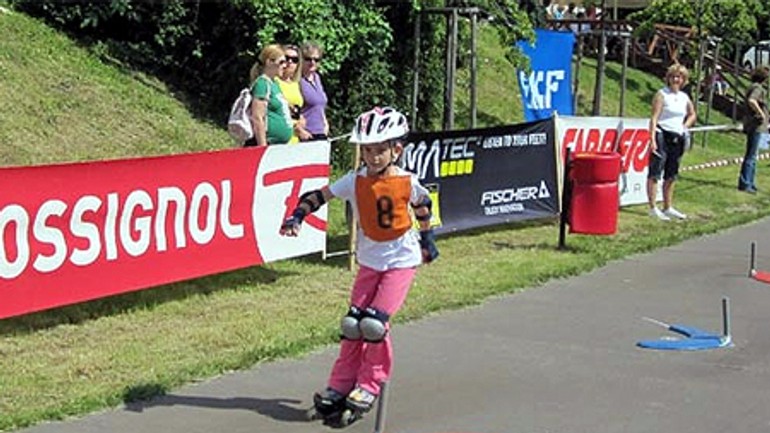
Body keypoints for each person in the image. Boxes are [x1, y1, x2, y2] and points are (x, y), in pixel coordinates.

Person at [280, 107, 439, 420]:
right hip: (369, 261)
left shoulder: (408, 181)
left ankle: (370, 382)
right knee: (352, 325)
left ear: (396, 149)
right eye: (367, 150)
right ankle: (340, 385)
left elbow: (424, 206)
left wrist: (427, 240)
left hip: (400, 262)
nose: (372, 157)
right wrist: (297, 215)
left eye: (379, 150)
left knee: (374, 325)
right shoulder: (355, 180)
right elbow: (318, 196)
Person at [647, 63, 697, 221]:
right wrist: (652, 138)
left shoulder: (684, 97)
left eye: (679, 77)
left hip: (677, 136)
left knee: (672, 172)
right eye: (674, 77)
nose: (676, 80)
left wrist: (684, 127)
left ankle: (668, 206)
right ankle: (653, 207)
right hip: (662, 132)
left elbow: (692, 114)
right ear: (668, 78)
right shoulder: (662, 94)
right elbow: (654, 117)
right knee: (656, 171)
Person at [245, 44, 292, 146]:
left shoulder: (274, 83)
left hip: (278, 145)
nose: (285, 66)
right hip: (268, 144)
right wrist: (263, 146)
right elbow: (257, 117)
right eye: (282, 62)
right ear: (269, 62)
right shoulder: (262, 83)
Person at [738, 66, 770, 194]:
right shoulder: (757, 88)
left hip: (755, 125)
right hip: (755, 125)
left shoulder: (754, 86)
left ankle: (750, 182)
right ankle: (745, 183)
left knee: (753, 155)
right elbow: (752, 100)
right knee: (751, 156)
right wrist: (761, 113)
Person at [276, 44, 312, 143]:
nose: (290, 62)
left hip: (295, 138)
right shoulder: (274, 82)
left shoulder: (296, 84)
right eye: (287, 58)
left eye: (294, 60)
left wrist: (301, 120)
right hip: (280, 135)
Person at [299, 41, 330, 141]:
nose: (312, 62)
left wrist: (325, 125)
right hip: (306, 135)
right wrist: (300, 130)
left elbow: (320, 105)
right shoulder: (297, 80)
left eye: (316, 60)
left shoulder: (317, 78)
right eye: (308, 59)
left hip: (321, 133)